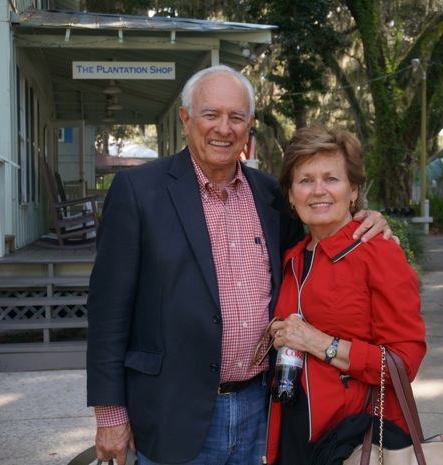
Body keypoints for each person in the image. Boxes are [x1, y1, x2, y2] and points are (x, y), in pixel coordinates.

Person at [85, 65, 394, 465]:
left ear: (249, 126)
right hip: (173, 413)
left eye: (236, 118)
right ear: (186, 119)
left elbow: (320, 231)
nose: (223, 128)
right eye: (211, 114)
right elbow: (108, 312)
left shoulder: (270, 195)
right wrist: (110, 414)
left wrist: (366, 220)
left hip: (261, 408)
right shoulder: (138, 192)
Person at [263, 127, 426, 465]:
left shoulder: (379, 253)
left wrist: (321, 343)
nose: (318, 191)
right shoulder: (291, 256)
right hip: (292, 434)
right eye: (305, 180)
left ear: (353, 190)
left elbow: (403, 361)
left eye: (331, 179)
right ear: (291, 195)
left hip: (354, 440)